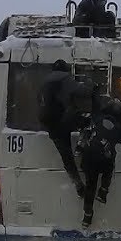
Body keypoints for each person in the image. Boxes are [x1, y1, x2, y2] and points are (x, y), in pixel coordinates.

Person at [38, 59, 92, 198]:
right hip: (64, 121)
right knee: (88, 121)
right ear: (65, 69)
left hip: (50, 125)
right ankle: (81, 145)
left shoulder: (44, 82)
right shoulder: (64, 78)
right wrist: (90, 85)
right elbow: (82, 92)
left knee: (66, 157)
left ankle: (78, 184)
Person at [80, 96, 121, 228]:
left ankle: (87, 216)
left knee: (90, 186)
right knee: (109, 168)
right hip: (104, 159)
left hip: (89, 157)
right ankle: (103, 191)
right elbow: (120, 140)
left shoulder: (97, 119)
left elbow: (86, 131)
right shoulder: (118, 127)